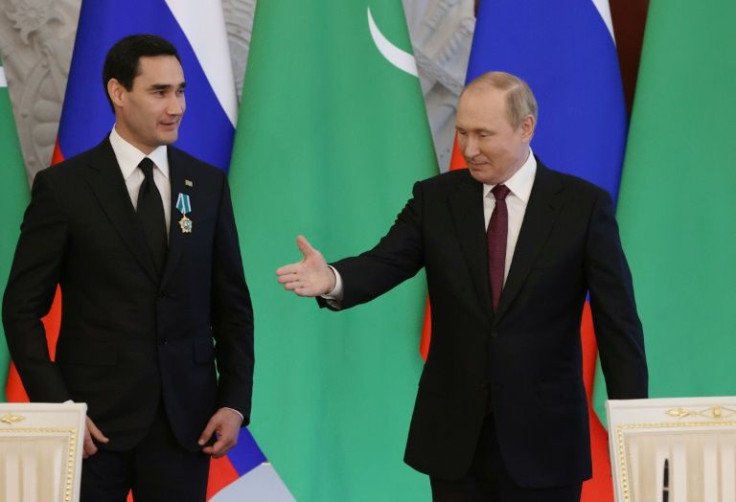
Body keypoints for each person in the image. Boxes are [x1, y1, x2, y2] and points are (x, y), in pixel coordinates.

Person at [276, 71, 647, 501]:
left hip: (545, 441)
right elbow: (384, 262)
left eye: (484, 135)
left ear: (526, 128)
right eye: (462, 132)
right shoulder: (436, 200)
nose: (469, 149)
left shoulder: (582, 208)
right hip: (455, 442)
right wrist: (333, 279)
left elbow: (617, 323)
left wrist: (633, 425)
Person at [2, 34, 254, 501]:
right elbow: (20, 308)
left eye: (180, 91)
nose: (175, 106)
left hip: (187, 426)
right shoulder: (63, 188)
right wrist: (59, 409)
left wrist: (235, 403)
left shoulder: (208, 185)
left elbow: (233, 306)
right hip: (91, 430)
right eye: (159, 92)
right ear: (118, 93)